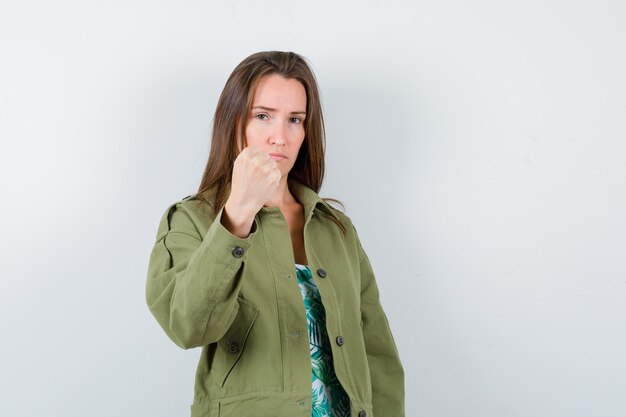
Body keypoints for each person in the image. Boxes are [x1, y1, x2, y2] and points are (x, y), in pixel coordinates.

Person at [145, 51, 404, 417]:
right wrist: (236, 216)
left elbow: (377, 352)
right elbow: (187, 326)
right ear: (233, 122)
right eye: (263, 116)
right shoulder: (192, 221)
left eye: (295, 119)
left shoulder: (335, 228)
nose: (280, 137)